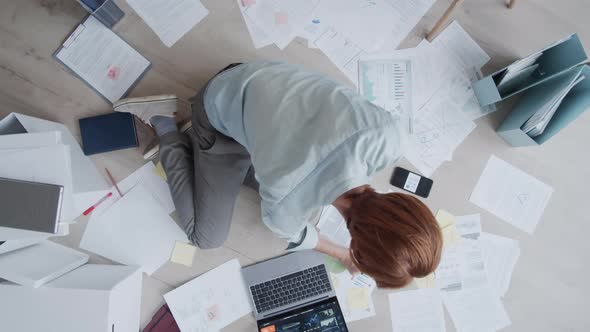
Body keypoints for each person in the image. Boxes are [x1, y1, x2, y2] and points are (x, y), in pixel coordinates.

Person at [114, 61, 442, 288]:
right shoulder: (287, 206)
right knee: (206, 237)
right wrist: (342, 254)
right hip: (217, 105)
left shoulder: (389, 137)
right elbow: (295, 231)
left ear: (406, 203)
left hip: (261, 75)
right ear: (356, 245)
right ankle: (163, 122)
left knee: (269, 180)